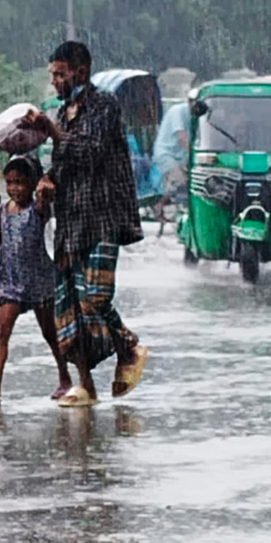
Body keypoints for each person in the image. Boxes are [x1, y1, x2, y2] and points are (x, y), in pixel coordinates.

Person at [23, 40, 148, 407]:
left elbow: (89, 150)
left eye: (60, 74)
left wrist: (51, 129)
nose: (55, 82)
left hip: (102, 215)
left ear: (80, 71)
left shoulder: (104, 105)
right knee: (70, 307)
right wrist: (47, 180)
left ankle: (127, 344)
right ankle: (86, 385)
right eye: (52, 75)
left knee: (95, 296)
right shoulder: (63, 114)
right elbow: (64, 162)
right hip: (70, 221)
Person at [0, 155, 71, 407]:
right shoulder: (4, 210)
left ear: (32, 184)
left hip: (39, 280)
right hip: (10, 281)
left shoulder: (38, 209)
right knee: (1, 332)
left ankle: (65, 377)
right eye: (10, 182)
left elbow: (47, 199)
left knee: (50, 333)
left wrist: (44, 186)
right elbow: (2, 239)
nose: (15, 188)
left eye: (20, 183)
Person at [151, 89, 195, 218]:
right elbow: (181, 136)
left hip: (181, 156)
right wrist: (194, 154)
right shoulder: (178, 111)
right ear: (188, 101)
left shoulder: (195, 116)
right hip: (166, 153)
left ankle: (183, 208)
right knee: (179, 178)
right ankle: (159, 206)